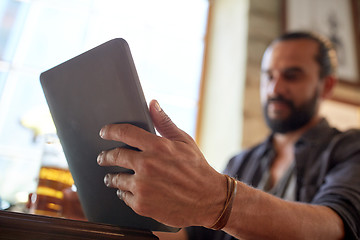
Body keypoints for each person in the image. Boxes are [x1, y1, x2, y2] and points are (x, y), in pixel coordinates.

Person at [96, 31, 360, 240]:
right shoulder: (241, 161)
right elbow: (193, 235)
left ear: (326, 86)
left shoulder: (351, 148)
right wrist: (99, 224)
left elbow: (335, 227)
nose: (274, 88)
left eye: (291, 76)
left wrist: (215, 198)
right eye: (268, 76)